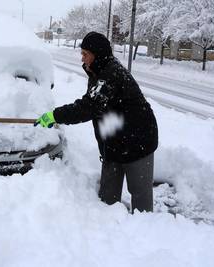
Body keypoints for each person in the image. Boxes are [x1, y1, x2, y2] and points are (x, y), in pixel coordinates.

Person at [35, 31, 158, 212]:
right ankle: (109, 231)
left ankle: (146, 232)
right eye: (82, 53)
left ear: (98, 54)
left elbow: (89, 107)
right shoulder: (97, 71)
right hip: (115, 142)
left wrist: (55, 115)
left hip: (138, 140)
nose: (82, 59)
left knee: (140, 198)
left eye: (86, 54)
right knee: (107, 198)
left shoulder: (111, 75)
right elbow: (98, 108)